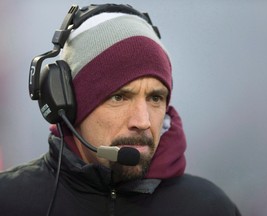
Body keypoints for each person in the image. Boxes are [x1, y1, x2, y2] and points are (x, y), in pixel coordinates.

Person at [0, 3, 241, 216]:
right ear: (68, 104)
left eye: (155, 98)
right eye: (119, 96)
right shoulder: (9, 201)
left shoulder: (211, 207)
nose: (143, 121)